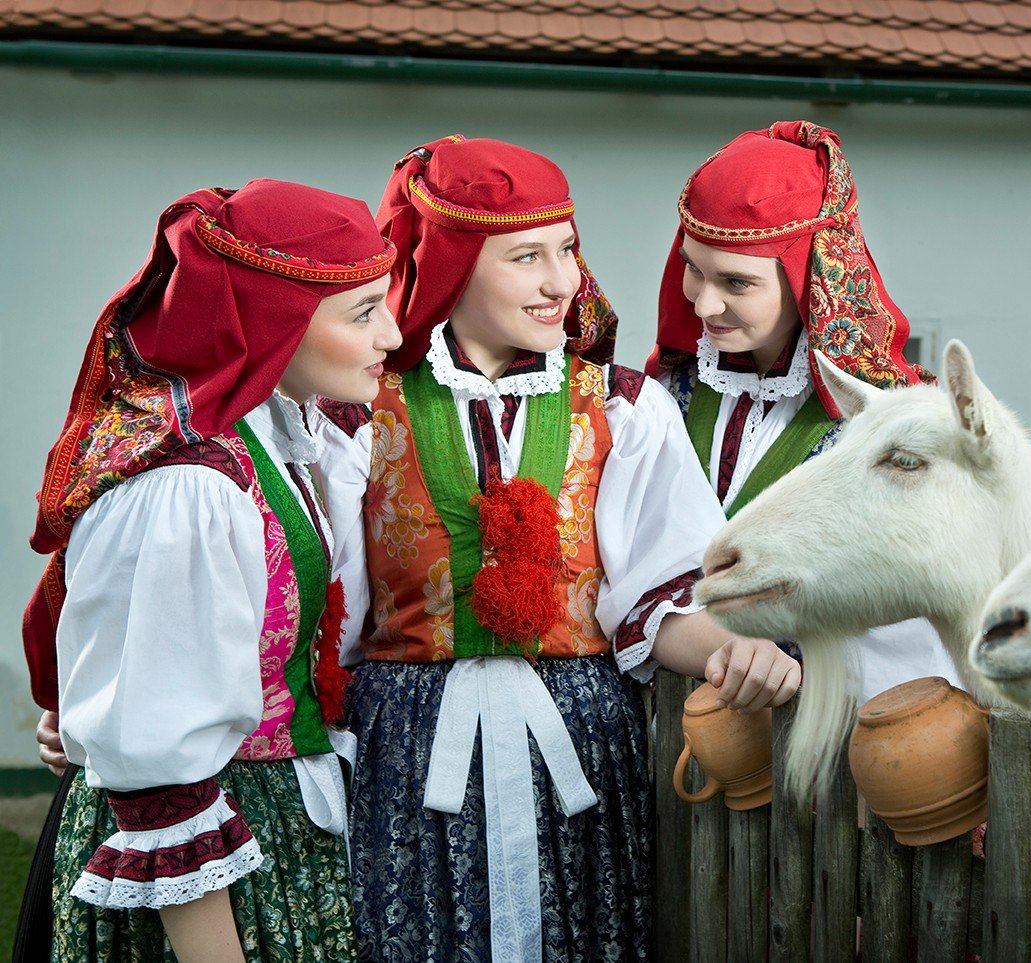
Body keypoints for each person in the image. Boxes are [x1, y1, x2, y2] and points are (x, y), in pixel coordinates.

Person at [315, 134, 800, 962]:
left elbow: (660, 594)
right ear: (455, 263)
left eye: (567, 248)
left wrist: (734, 650)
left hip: (578, 744)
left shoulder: (623, 407)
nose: (562, 281)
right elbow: (323, 612)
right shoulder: (362, 409)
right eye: (526, 256)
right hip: (411, 746)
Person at [19, 179, 402, 961]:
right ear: (274, 323)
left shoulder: (281, 435)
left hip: (270, 824)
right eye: (363, 312)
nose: (392, 332)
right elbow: (156, 764)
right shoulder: (186, 489)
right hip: (196, 865)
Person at [648, 120, 963, 705]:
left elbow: (919, 625)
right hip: (668, 734)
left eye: (737, 281)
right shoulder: (669, 394)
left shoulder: (894, 430)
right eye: (693, 267)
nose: (705, 303)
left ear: (810, 276)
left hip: (834, 744)